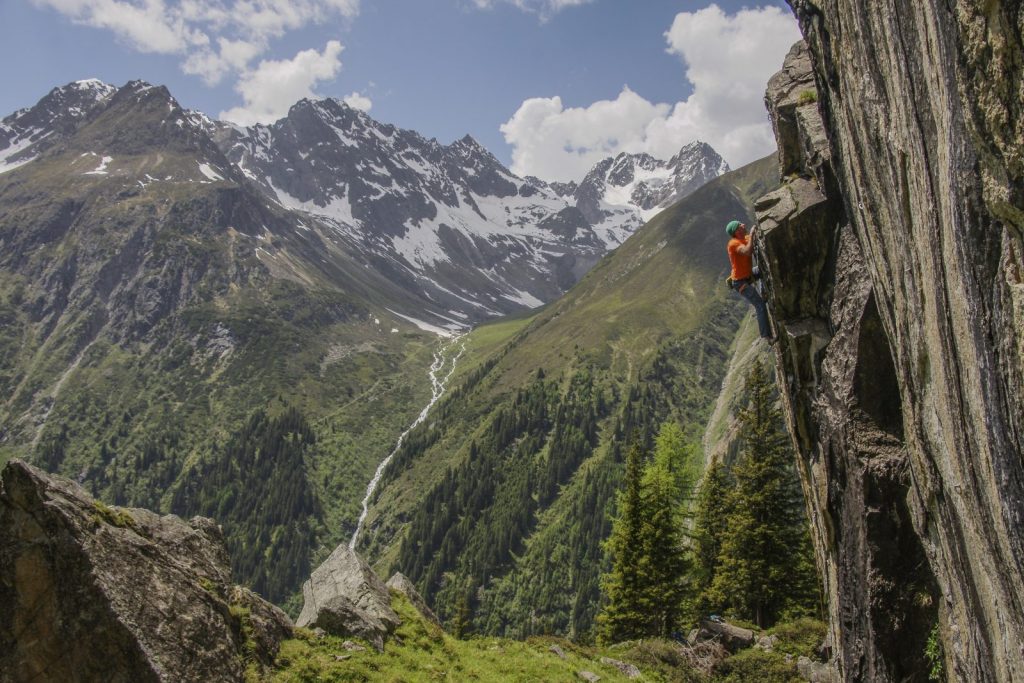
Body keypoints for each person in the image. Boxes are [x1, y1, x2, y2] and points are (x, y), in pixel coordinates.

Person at [725, 219, 773, 342]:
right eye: (740, 224)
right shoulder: (733, 244)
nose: (743, 224)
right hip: (740, 282)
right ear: (736, 231)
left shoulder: (743, 238)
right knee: (760, 305)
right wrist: (751, 234)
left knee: (763, 269)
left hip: (747, 275)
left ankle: (764, 291)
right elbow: (747, 251)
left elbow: (752, 239)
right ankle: (766, 336)